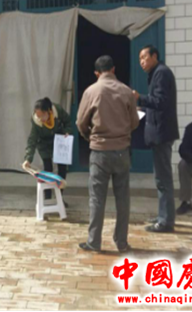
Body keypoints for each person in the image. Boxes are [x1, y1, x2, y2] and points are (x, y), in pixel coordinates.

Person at [77, 56, 139, 253]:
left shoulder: (91, 91)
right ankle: (121, 242)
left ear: (97, 73)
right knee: (123, 198)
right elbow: (135, 122)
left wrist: (90, 137)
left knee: (97, 198)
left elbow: (80, 122)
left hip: (99, 152)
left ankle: (94, 242)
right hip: (122, 151)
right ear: (113, 69)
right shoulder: (126, 91)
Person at [133, 45, 179, 234]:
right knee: (160, 178)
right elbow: (157, 103)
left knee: (163, 179)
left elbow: (161, 102)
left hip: (162, 133)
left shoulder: (161, 73)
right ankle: (163, 214)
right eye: (140, 59)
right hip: (158, 133)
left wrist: (140, 98)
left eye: (144, 57)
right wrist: (142, 109)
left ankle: (166, 221)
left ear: (154, 56)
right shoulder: (156, 73)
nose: (142, 62)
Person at [22, 98, 73, 205]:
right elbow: (32, 140)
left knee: (62, 168)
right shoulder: (36, 121)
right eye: (38, 116)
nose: (40, 119)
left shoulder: (57, 111)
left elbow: (68, 121)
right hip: (44, 144)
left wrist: (67, 132)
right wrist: (28, 159)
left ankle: (60, 198)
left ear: (49, 111)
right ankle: (48, 197)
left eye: (42, 116)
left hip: (58, 140)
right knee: (48, 169)